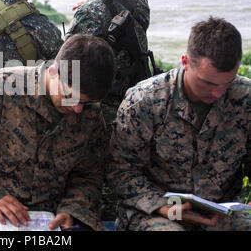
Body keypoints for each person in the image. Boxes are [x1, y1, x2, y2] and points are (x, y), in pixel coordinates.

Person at [0, 34, 116, 231]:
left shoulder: (90, 113)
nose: (78, 109)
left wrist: (73, 209)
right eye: (70, 96)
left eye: (85, 103)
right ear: (53, 72)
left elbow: (89, 172)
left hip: (53, 215)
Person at [106, 17, 251, 231]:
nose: (218, 92)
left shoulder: (245, 99)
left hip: (218, 212)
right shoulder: (145, 100)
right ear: (184, 62)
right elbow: (119, 170)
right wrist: (164, 207)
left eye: (226, 83)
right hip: (155, 211)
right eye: (208, 83)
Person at [64, 0, 151, 221]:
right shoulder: (140, 1)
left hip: (98, 109)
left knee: (92, 181)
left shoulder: (90, 11)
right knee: (125, 174)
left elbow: (69, 63)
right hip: (135, 104)